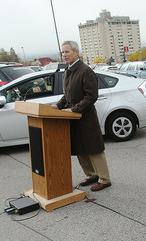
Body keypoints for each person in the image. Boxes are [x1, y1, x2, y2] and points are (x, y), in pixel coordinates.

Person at [51, 41, 112, 191]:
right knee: (80, 149)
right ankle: (91, 175)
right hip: (73, 118)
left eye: (67, 52)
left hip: (86, 117)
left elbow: (91, 97)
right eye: (62, 52)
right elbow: (67, 96)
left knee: (94, 149)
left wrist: (74, 110)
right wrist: (58, 106)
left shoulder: (85, 71)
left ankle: (104, 179)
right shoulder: (67, 71)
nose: (64, 55)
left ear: (76, 52)